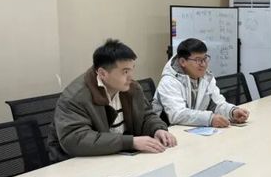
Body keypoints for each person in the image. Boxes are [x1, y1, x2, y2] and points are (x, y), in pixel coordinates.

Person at [47, 39, 176, 161]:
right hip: (78, 163)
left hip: (118, 157)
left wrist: (157, 129)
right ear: (102, 74)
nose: (131, 77)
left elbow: (146, 116)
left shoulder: (132, 88)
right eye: (125, 72)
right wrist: (131, 142)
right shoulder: (75, 97)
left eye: (132, 69)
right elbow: (75, 140)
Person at [153, 38, 249, 127]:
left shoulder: (206, 77)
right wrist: (209, 119)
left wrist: (232, 112)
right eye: (198, 60)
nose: (203, 64)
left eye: (205, 59)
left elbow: (217, 104)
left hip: (191, 129)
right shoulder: (169, 81)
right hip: (166, 132)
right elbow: (177, 115)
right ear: (182, 62)